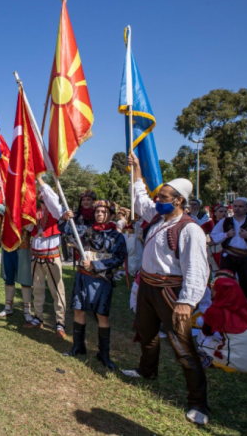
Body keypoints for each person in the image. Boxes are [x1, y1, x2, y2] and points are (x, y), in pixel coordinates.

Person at [122, 153, 211, 427]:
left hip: (171, 293)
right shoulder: (159, 220)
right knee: (147, 334)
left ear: (179, 200)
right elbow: (140, 198)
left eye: (163, 197)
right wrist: (136, 170)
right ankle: (147, 371)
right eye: (159, 196)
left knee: (183, 347)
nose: (158, 201)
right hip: (148, 287)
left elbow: (197, 268)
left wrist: (187, 302)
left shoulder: (190, 229)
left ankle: (198, 403)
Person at [61, 199, 127, 370]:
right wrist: (64, 218)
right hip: (83, 278)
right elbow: (67, 230)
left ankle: (103, 353)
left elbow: (119, 258)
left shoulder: (117, 237)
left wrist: (96, 266)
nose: (99, 214)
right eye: (97, 211)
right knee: (78, 310)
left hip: (102, 280)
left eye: (103, 212)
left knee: (102, 315)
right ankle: (78, 346)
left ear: (111, 215)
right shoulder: (85, 230)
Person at [196, 276, 247, 375]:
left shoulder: (215, 310)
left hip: (240, 363)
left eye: (214, 289)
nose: (211, 292)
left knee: (202, 340)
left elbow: (206, 332)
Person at [25, 176, 67, 338]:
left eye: (43, 193)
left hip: (51, 256)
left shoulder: (58, 210)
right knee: (38, 289)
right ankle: (38, 318)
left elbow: (52, 199)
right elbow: (29, 227)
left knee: (57, 290)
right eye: (39, 193)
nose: (41, 194)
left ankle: (60, 322)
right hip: (36, 256)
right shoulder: (35, 212)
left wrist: (41, 181)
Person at [0, 182, 34, 322]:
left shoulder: (27, 211)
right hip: (7, 247)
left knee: (25, 280)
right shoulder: (6, 209)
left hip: (23, 247)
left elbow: (32, 227)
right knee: (9, 279)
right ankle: (8, 307)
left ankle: (27, 310)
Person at [211, 197, 247, 303]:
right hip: (228, 256)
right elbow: (214, 236)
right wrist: (226, 234)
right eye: (235, 206)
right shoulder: (225, 221)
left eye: (241, 206)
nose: (237, 209)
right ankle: (225, 311)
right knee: (225, 284)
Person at [200, 203, 227, 272]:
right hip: (215, 251)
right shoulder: (210, 223)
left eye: (225, 211)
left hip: (228, 250)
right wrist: (207, 243)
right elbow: (198, 233)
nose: (224, 213)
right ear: (215, 213)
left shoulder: (230, 222)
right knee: (216, 273)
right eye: (221, 211)